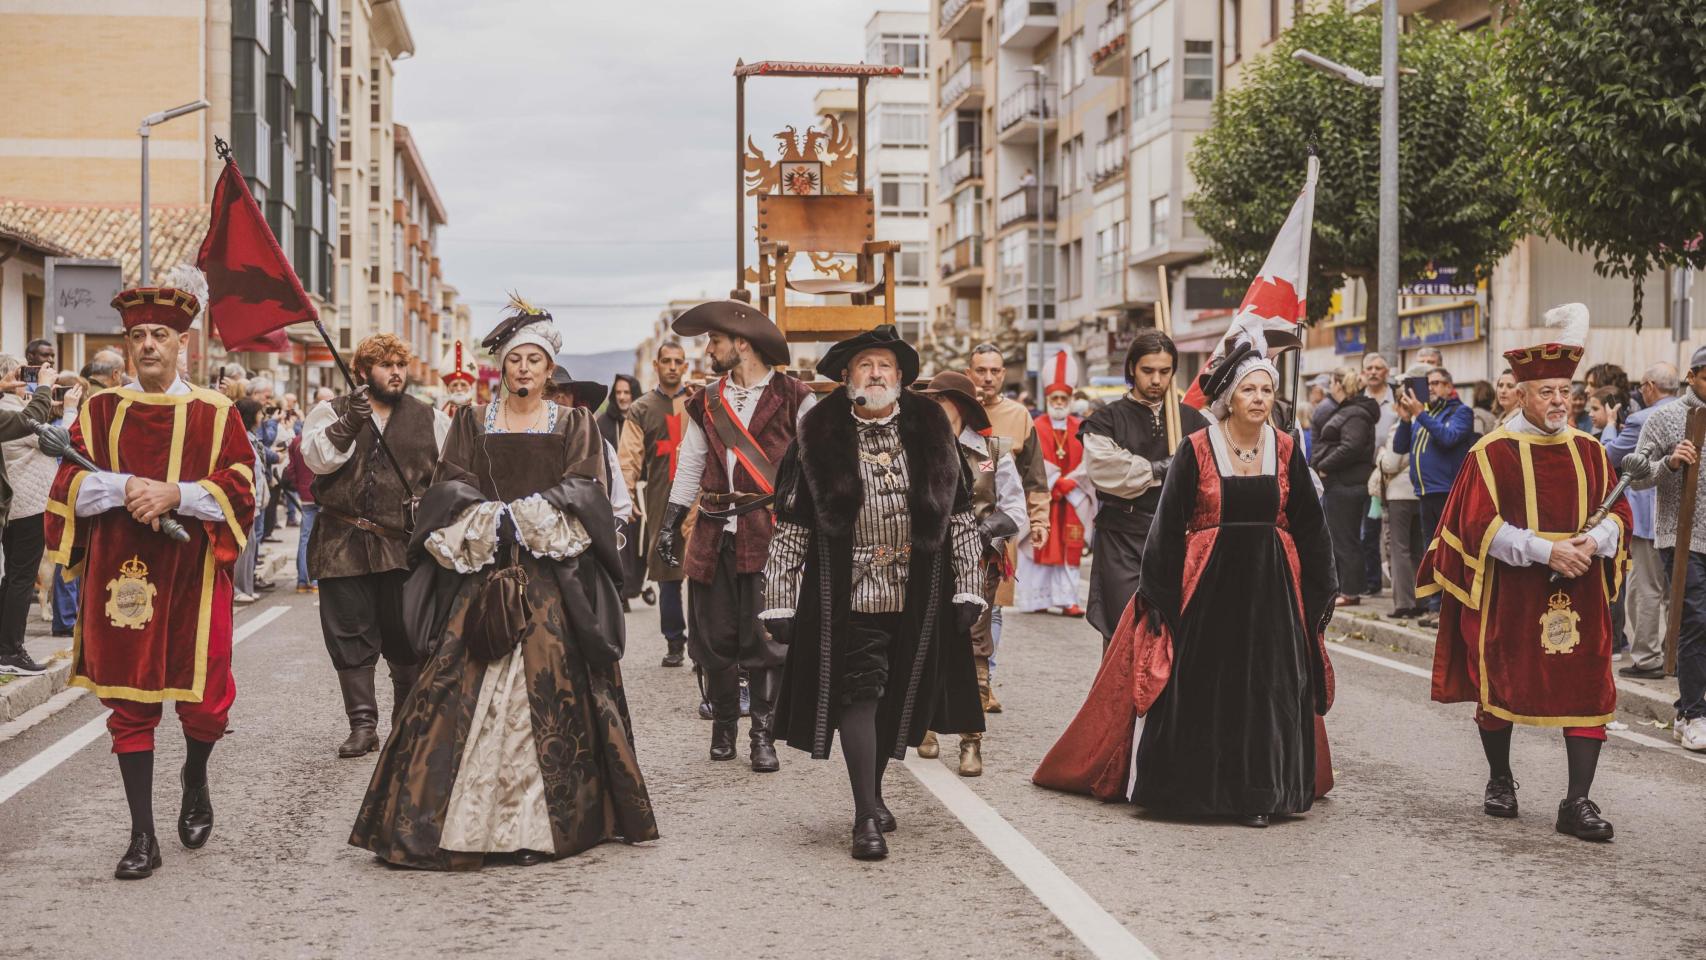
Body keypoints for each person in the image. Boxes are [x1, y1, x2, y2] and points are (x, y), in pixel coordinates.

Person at [350, 299, 657, 869]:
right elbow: (451, 487)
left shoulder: (573, 424)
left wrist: (534, 514)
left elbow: (584, 490)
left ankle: (538, 826)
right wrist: (491, 519)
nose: (523, 370)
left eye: (534, 360)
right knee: (452, 692)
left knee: (553, 696)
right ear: (502, 368)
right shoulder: (470, 423)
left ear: (548, 369)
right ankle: (457, 824)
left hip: (549, 580)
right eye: (515, 360)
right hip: (484, 573)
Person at [1034, 336, 1337, 828]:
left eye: (1266, 390)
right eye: (1249, 390)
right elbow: (1168, 527)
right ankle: (1197, 788)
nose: (1259, 399)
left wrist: (1320, 588)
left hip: (1270, 594)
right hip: (1207, 587)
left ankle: (1261, 791)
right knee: (1205, 688)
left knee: (1265, 691)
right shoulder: (1196, 448)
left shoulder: (1285, 450)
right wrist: (1161, 597)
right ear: (1229, 398)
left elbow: (1309, 525)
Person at [42, 280, 257, 879]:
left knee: (207, 704)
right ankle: (142, 836)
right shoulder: (100, 410)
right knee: (130, 706)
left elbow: (243, 487)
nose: (148, 345)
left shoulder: (215, 413)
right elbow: (64, 486)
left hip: (194, 575)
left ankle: (195, 776)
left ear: (182, 342)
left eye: (160, 335)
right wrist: (118, 486)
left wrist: (178, 494)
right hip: (123, 578)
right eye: (137, 336)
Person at [761, 324, 985, 859]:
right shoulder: (818, 433)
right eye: (866, 365)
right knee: (858, 694)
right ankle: (865, 816)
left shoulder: (932, 428)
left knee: (896, 699)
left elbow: (960, 517)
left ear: (903, 378)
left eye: (886, 365)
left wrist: (970, 587)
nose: (877, 374)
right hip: (846, 593)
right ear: (847, 376)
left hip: (917, 593)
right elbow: (792, 524)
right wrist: (778, 594)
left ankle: (876, 788)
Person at [1419, 303, 1631, 841]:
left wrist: (1596, 539)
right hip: (1513, 592)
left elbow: (1619, 513)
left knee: (1588, 686)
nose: (1559, 401)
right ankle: (1500, 778)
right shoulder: (1491, 454)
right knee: (1504, 681)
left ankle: (1577, 802)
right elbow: (1476, 524)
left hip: (1580, 592)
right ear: (1522, 394)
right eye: (1547, 392)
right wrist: (1546, 551)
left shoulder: (1591, 450)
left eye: (1566, 392)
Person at [656, 299, 814, 773]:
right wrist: (669, 522)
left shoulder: (795, 396)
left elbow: (814, 469)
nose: (709, 350)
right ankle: (724, 725)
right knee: (713, 638)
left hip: (770, 534)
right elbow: (690, 465)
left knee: (765, 639)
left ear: (740, 345)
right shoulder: (706, 401)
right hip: (713, 533)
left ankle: (761, 737)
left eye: (715, 341)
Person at [300, 333, 451, 758]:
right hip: (341, 544)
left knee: (406, 636)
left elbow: (451, 476)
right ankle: (363, 726)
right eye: (386, 365)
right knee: (349, 636)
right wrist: (348, 422)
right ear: (363, 371)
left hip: (401, 545)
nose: (396, 372)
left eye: (400, 364)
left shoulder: (430, 418)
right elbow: (317, 460)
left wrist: (434, 504)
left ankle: (404, 719)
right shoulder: (328, 412)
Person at [912, 370, 1027, 776]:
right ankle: (923, 725)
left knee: (974, 645)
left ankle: (970, 741)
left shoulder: (992, 450)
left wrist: (981, 530)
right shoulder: (917, 447)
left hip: (976, 560)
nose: (931, 408)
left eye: (939, 401)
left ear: (959, 406)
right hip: (924, 559)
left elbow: (1016, 512)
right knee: (924, 641)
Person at [1080, 331, 1208, 645]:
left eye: (1164, 372)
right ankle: (1122, 696)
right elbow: (1108, 470)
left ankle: (1168, 697)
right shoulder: (1105, 420)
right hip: (1121, 535)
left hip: (1176, 536)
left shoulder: (1195, 422)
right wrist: (1165, 467)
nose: (1156, 380)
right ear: (1132, 369)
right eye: (1147, 371)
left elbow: (1207, 476)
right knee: (1125, 627)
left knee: (1175, 631)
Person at [965, 343, 1050, 712]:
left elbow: (1034, 476)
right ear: (969, 372)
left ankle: (986, 682)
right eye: (980, 369)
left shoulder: (1019, 416)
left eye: (995, 370)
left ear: (1003, 374)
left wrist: (1039, 519)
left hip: (1001, 527)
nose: (987, 376)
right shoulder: (955, 410)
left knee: (993, 608)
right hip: (958, 524)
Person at [1629, 344, 1706, 749]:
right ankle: (1694, 713)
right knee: (1694, 619)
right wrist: (1671, 463)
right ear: (1691, 376)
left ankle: (1686, 709)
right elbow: (1636, 477)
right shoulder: (1666, 418)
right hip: (1682, 536)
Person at [618, 341, 693, 667]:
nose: (673, 366)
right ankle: (675, 641)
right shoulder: (642, 408)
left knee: (706, 576)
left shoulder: (697, 402)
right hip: (662, 497)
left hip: (700, 497)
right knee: (667, 574)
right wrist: (627, 495)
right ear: (657, 365)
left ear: (686, 366)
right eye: (667, 361)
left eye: (678, 361)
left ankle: (704, 651)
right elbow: (628, 459)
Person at [1604, 362, 1681, 680]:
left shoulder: (1640, 419)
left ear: (1650, 385)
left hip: (1649, 516)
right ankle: (1674, 655)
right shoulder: (1688, 414)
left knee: (1644, 588)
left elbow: (1610, 455)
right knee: (1674, 592)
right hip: (1681, 518)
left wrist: (1610, 424)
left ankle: (1648, 656)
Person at [1394, 365, 1476, 628]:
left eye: (1438, 383)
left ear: (1449, 387)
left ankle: (1447, 609)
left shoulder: (1461, 412)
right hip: (1425, 493)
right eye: (1428, 384)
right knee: (1431, 552)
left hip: (1447, 492)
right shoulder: (1424, 414)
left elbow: (1449, 438)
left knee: (1448, 552)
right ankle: (1434, 605)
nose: (1431, 388)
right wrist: (1407, 419)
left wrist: (1420, 415)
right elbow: (1399, 447)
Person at [1017, 352, 1092, 617]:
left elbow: (1090, 460)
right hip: (1044, 497)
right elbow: (1030, 460)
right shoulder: (1036, 425)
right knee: (1039, 542)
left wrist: (1070, 482)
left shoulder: (1081, 426)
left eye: (1063, 398)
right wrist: (1053, 482)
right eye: (1054, 399)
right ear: (1047, 400)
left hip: (1071, 498)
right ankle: (1036, 598)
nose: (1059, 403)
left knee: (1069, 546)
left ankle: (1067, 598)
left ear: (1071, 399)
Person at [0, 354, 58, 676]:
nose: (28, 374)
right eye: (22, 369)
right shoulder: (11, 409)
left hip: (17, 506)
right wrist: (45, 389)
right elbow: (48, 438)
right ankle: (11, 651)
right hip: (29, 506)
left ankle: (5, 648)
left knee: (13, 577)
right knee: (21, 578)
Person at [1312, 366, 1378, 606]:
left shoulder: (1355, 414)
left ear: (1339, 385)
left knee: (1345, 538)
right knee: (1340, 537)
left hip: (1346, 484)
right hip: (1341, 483)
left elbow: (1352, 446)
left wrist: (1325, 466)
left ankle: (1350, 591)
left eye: (1331, 382)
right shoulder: (1350, 411)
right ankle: (1344, 588)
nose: (1330, 387)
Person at [599, 373, 644, 606]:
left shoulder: (642, 417)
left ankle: (634, 586)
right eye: (618, 393)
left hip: (641, 491)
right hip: (611, 492)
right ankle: (621, 592)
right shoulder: (603, 423)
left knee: (638, 546)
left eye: (627, 392)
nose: (623, 397)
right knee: (619, 543)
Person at [1374, 423, 1422, 618]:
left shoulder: (1399, 427)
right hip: (1420, 492)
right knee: (1419, 549)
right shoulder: (1424, 424)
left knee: (1399, 548)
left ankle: (1404, 602)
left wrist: (1381, 455)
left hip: (1399, 494)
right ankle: (1422, 599)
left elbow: (1390, 464)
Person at [1359, 353, 1397, 597]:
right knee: (1368, 529)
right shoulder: (1357, 399)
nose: (1373, 372)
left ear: (1387, 372)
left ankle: (1399, 584)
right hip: (1366, 472)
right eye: (1369, 368)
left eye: (1378, 368)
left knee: (1395, 531)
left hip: (1393, 471)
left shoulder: (1397, 397)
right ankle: (1371, 581)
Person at [281, 430, 318, 593]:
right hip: (322, 494)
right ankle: (314, 579)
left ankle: (303, 580)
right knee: (318, 539)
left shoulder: (296, 442)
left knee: (305, 537)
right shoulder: (323, 437)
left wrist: (299, 487)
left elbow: (291, 470)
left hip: (305, 494)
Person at [438, 338, 480, 417]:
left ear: (470, 387)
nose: (459, 389)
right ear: (448, 389)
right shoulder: (440, 416)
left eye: (463, 385)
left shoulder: (480, 413)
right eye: (454, 385)